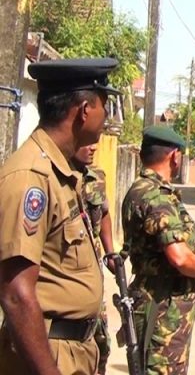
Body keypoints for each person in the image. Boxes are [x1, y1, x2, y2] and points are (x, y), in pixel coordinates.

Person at [0, 58, 121, 375]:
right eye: (104, 107)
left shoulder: (64, 173)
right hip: (49, 357)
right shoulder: (31, 177)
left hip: (73, 353)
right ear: (84, 110)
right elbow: (15, 293)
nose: (106, 118)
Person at [121, 126, 195, 375]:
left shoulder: (142, 189)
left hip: (161, 307)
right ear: (174, 156)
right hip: (161, 310)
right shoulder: (156, 197)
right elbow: (179, 257)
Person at [73, 143, 114, 375]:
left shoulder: (96, 177)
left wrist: (109, 253)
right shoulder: (53, 178)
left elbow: (104, 213)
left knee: (100, 345)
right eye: (87, 141)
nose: (94, 147)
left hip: (94, 277)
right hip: (69, 281)